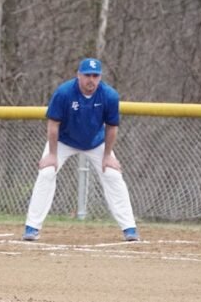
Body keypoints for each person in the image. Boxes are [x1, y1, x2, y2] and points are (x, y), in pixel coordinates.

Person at [22, 58, 139, 242]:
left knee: (113, 175)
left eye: (95, 75)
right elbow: (53, 124)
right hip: (64, 140)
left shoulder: (109, 95)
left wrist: (108, 155)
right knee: (46, 173)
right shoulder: (64, 93)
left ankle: (129, 228)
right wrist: (52, 155)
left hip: (96, 142)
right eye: (87, 75)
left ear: (100, 77)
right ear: (78, 75)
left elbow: (112, 127)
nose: (91, 79)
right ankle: (32, 227)